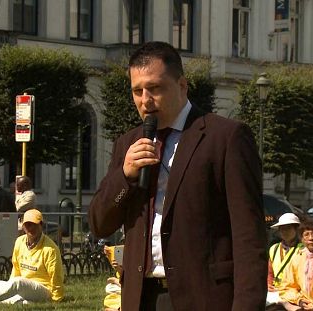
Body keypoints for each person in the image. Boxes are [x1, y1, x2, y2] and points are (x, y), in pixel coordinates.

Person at [88, 41, 267, 311]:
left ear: (182, 86)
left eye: (155, 88)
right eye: (137, 91)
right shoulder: (128, 144)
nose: (145, 100)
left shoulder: (225, 138)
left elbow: (249, 237)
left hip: (204, 297)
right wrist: (125, 177)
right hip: (142, 297)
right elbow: (99, 224)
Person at [0, 209, 64, 305]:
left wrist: (56, 298)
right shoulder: (19, 241)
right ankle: (20, 302)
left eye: (34, 224)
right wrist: (10, 288)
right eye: (27, 225)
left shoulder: (50, 249)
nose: (31, 228)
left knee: (18, 283)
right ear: (23, 226)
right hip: (24, 286)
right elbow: (16, 268)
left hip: (44, 289)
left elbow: (56, 276)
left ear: (41, 225)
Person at [267, 213, 303, 305]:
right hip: (275, 292)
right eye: (282, 229)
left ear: (296, 229)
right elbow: (270, 271)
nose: (284, 231)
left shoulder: (303, 249)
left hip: (295, 293)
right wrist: (269, 284)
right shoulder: (274, 248)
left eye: (288, 228)